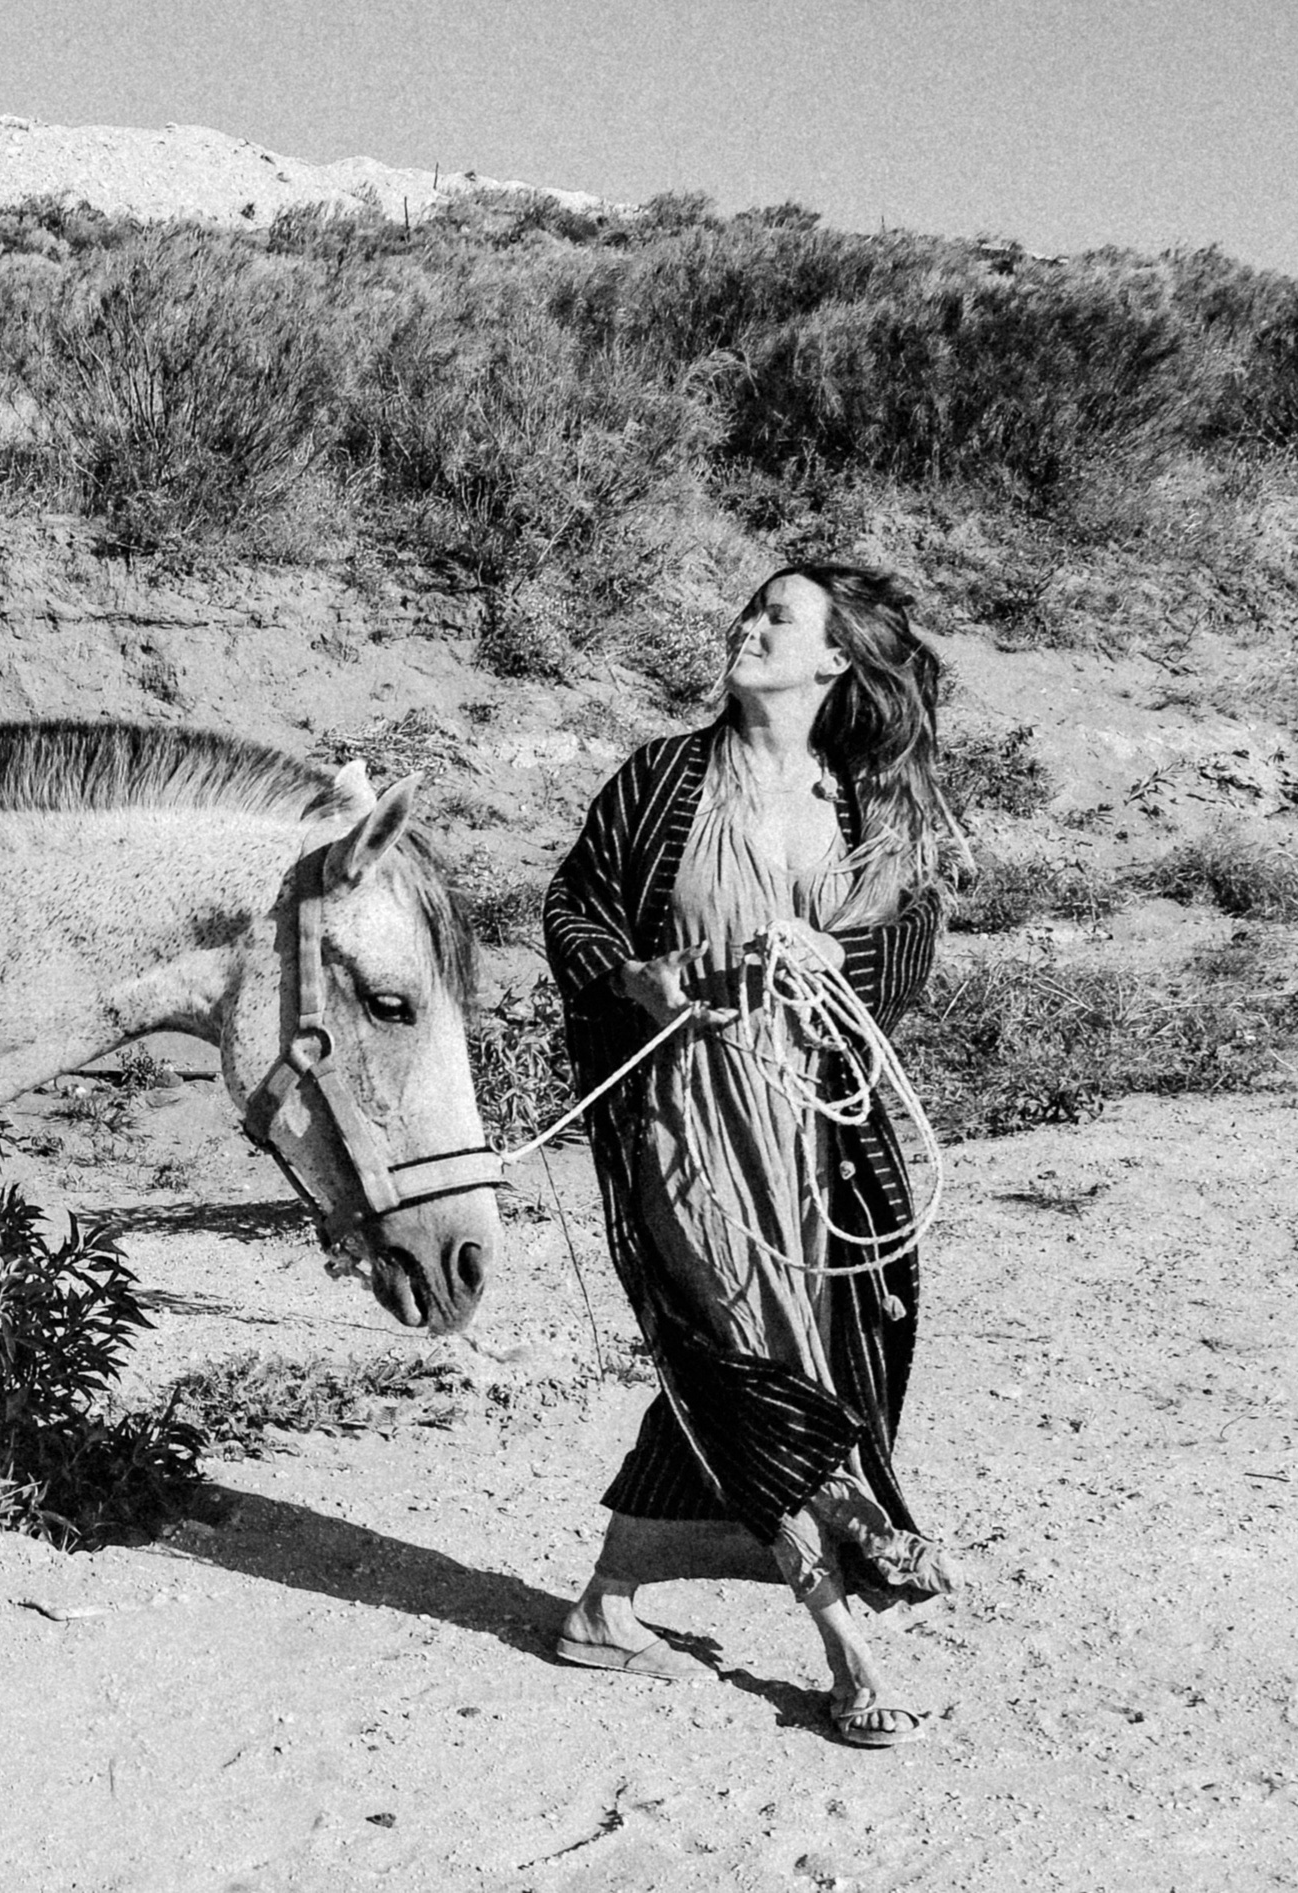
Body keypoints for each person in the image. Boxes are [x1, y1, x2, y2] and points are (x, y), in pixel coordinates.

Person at [541, 562, 958, 1748]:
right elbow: (572, 911)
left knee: (760, 1364)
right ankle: (848, 1642)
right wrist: (645, 974)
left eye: (778, 617)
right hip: (681, 1112)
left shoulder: (868, 803)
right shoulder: (665, 777)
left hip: (819, 1127)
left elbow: (909, 944)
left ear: (835, 661)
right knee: (749, 1347)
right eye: (750, 609)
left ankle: (604, 1604)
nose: (746, 626)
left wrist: (836, 964)